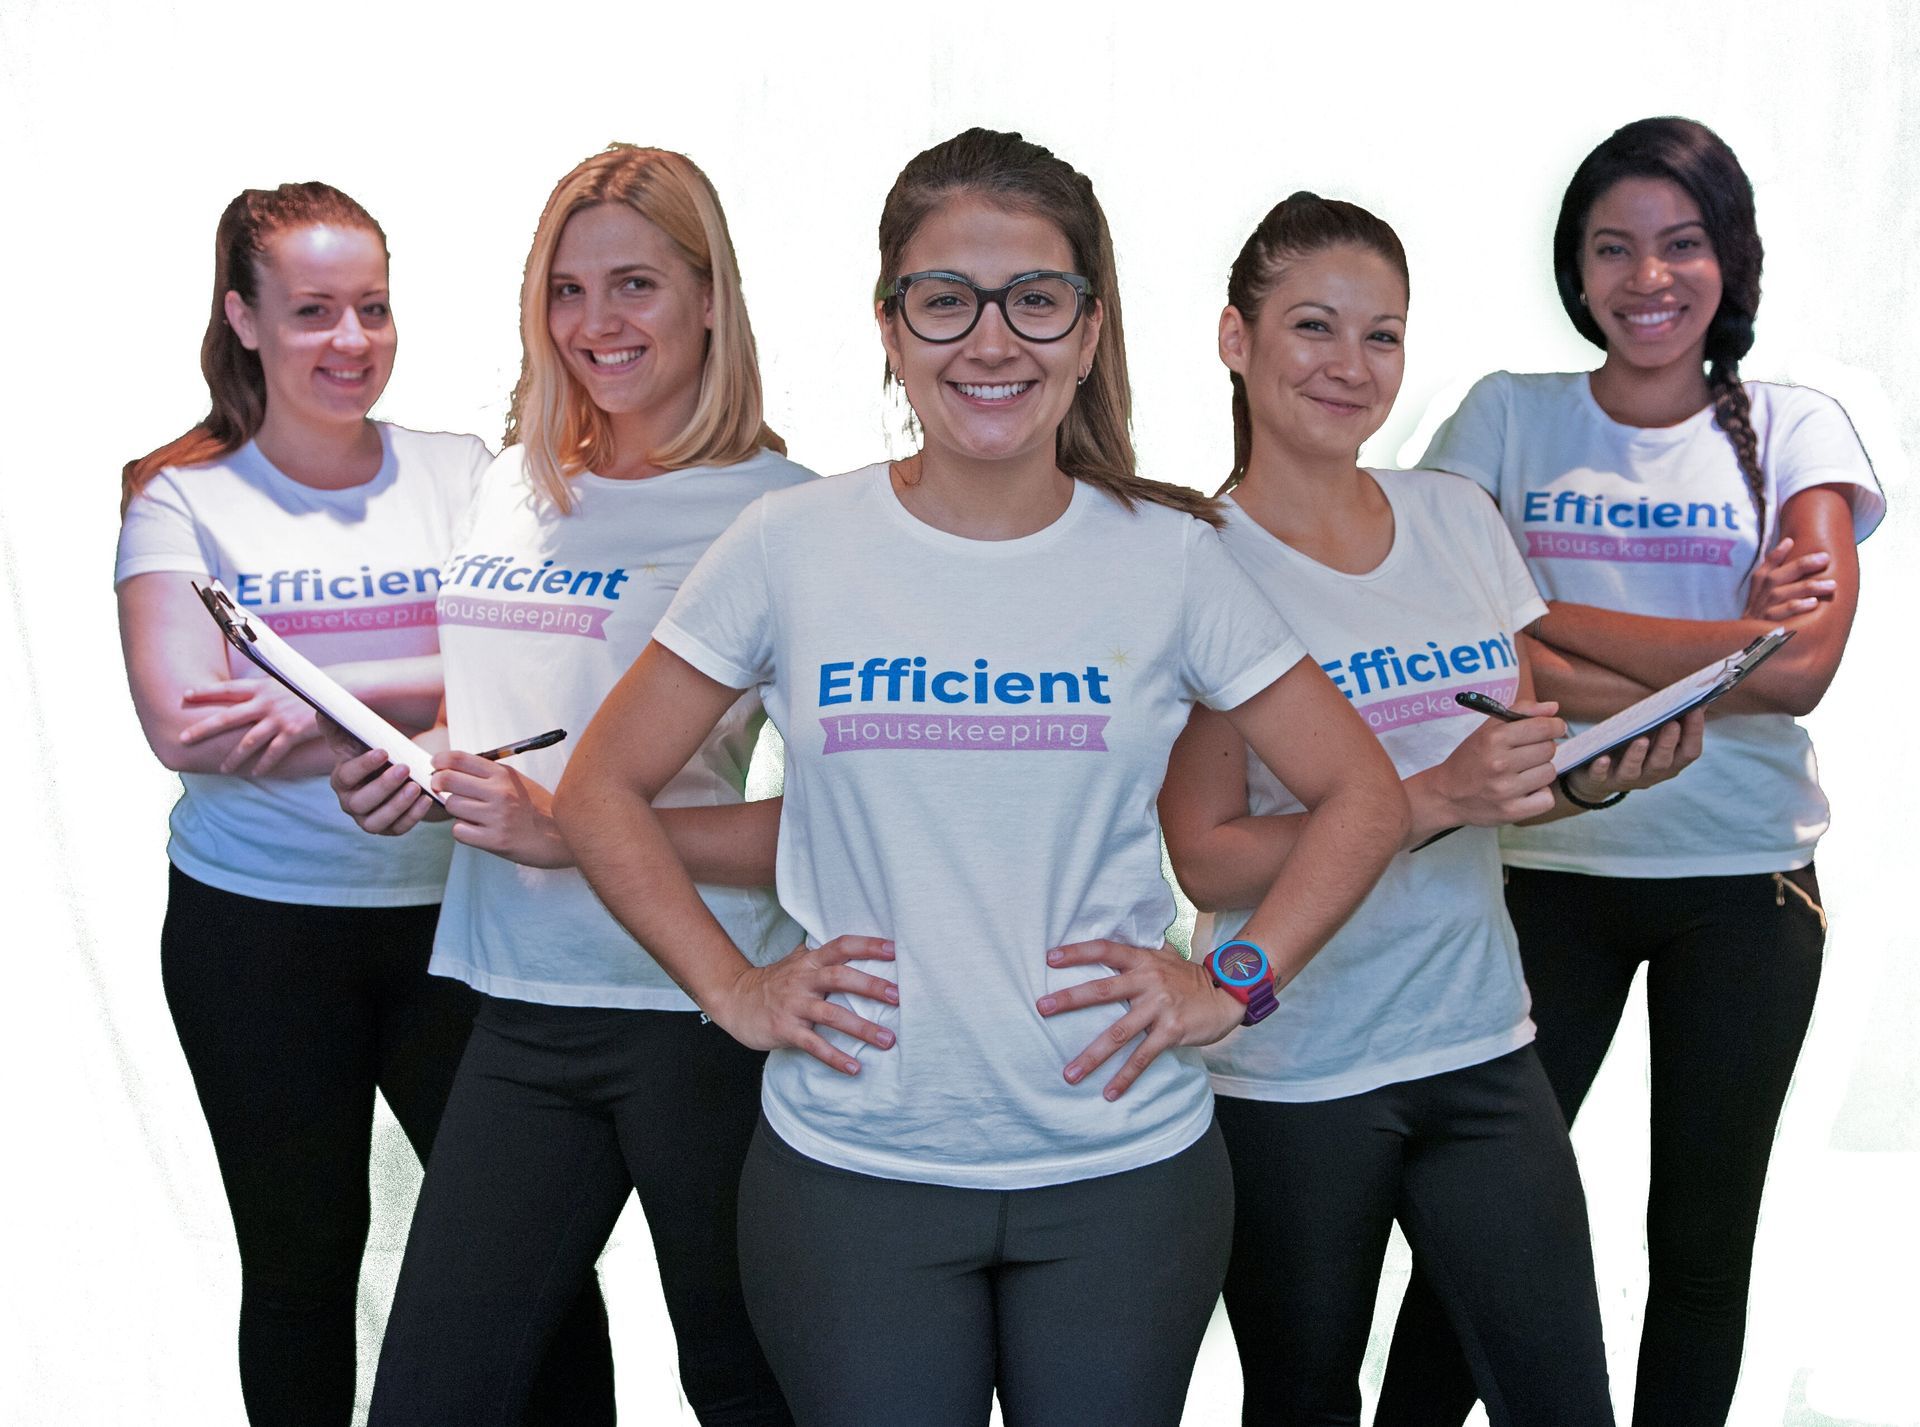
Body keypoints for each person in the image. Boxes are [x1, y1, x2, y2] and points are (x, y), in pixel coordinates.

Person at [550, 127, 1412, 1427]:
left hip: (1125, 1172)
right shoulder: (792, 543)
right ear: (892, 326)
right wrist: (732, 986)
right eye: (946, 299)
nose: (991, 340)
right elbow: (602, 785)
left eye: (1036, 298)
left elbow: (1366, 796)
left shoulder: (1169, 553)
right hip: (854, 1170)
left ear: (1087, 326)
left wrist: (1234, 981)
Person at [1159, 191, 1705, 1427]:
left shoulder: (1456, 518)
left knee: (1564, 1398)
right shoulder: (1196, 557)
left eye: (1384, 335)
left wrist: (1597, 771)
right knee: (1303, 1402)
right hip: (1293, 1072)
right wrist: (1433, 793)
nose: (1353, 367)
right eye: (1314, 327)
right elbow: (1207, 858)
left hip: (1479, 1044)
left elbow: (1506, 772)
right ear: (1236, 341)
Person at [1378, 117, 1885, 1427]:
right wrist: (1724, 648)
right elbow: (1465, 644)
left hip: (1747, 885)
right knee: (1473, 1233)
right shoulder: (1507, 414)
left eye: (1680, 243)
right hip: (1543, 868)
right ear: (1576, 267)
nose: (1646, 278)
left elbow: (1805, 670)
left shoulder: (1797, 424)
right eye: (1614, 248)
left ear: (1730, 259)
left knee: (1701, 1247)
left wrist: (1542, 613)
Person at [327, 144, 809, 1427]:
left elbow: (838, 827)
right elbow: (497, 705)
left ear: (711, 298)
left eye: (637, 284)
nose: (596, 324)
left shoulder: (785, 515)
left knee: (748, 1387)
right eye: (567, 289)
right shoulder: (514, 483)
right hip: (517, 1004)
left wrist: (576, 835)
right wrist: (414, 762)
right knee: (431, 1393)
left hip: (698, 1011)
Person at [114, 182, 495, 1425]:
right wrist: (443, 673)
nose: (352, 340)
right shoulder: (182, 498)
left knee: (518, 1255)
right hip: (256, 937)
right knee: (301, 1267)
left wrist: (319, 693)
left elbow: (541, 663)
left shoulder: (462, 471)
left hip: (465, 923)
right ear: (243, 318)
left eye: (374, 308)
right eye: (315, 310)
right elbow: (189, 722)